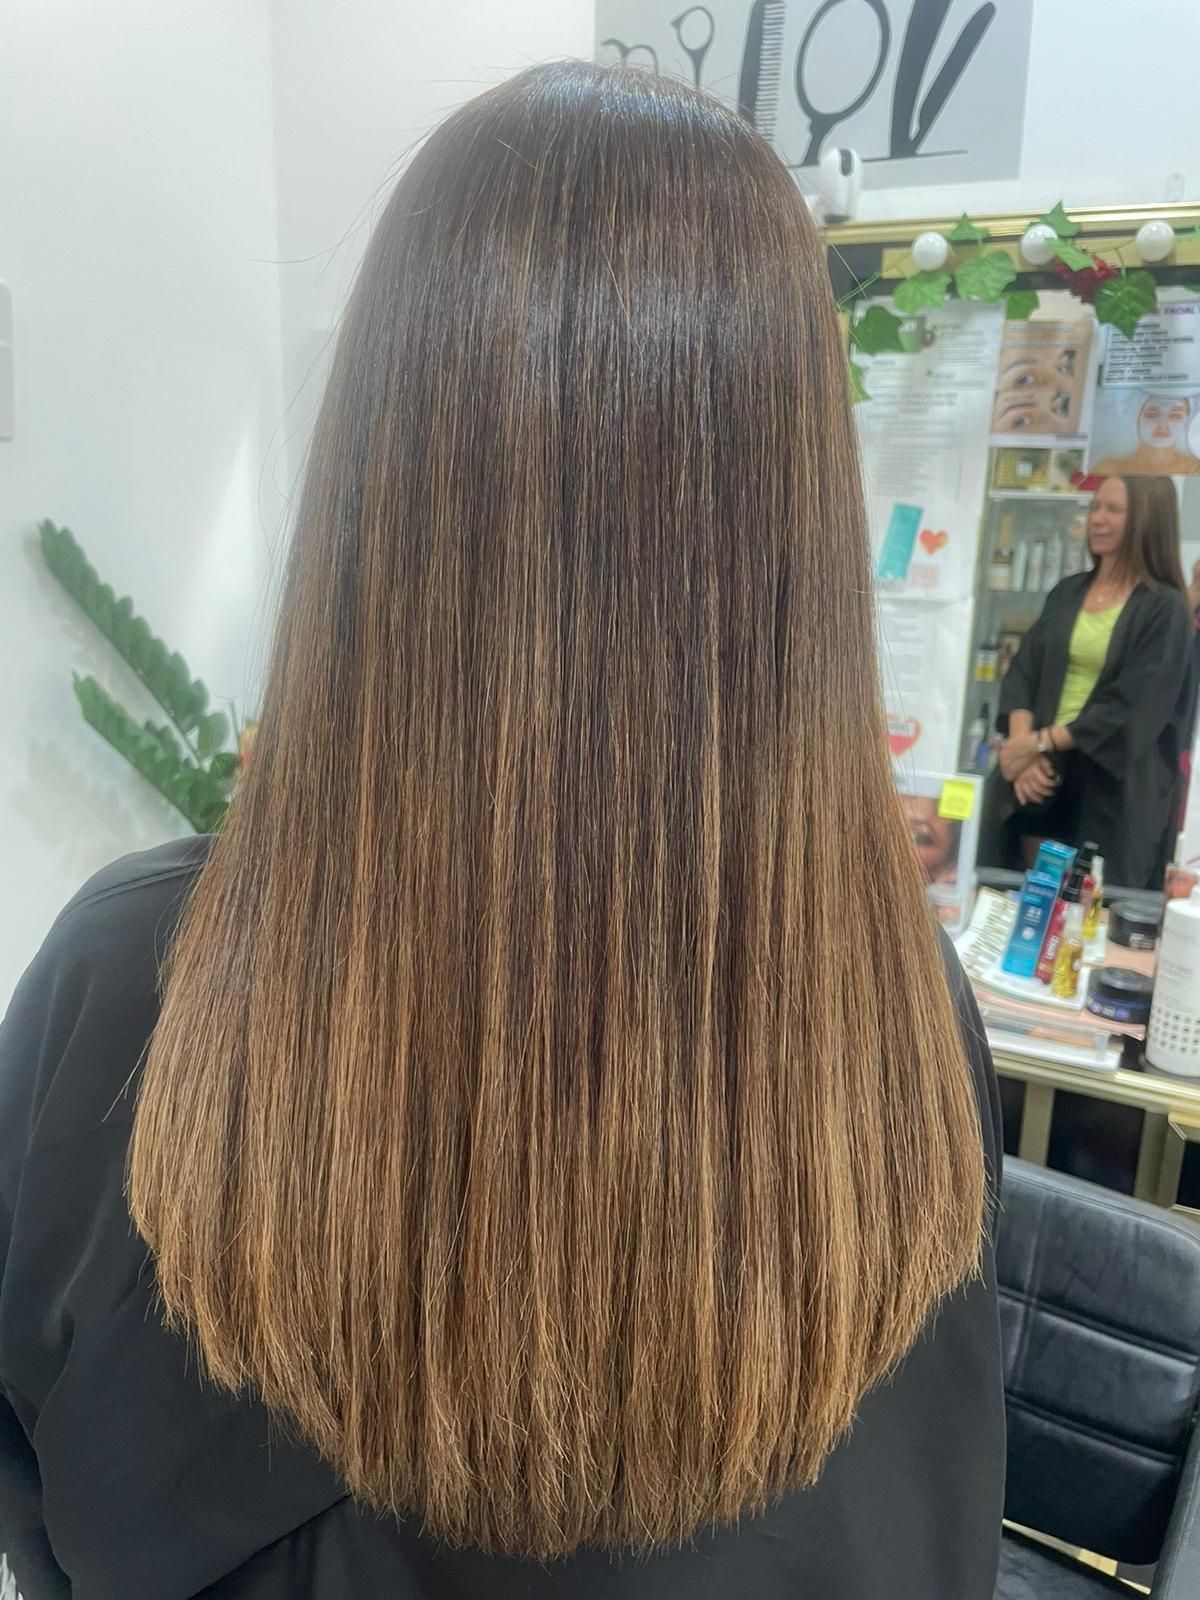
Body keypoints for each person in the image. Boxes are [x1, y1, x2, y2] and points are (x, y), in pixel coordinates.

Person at [0, 62, 1003, 1600]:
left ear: (375, 473)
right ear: (793, 520)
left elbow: (45, 1489)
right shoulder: (894, 1021)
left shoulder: (131, 986)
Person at [983, 475, 1194, 887]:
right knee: (1017, 897)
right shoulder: (1066, 592)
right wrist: (1023, 748)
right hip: (1040, 774)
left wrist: (1040, 742)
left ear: (1146, 520)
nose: (1097, 519)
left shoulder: (1164, 609)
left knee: (1084, 914)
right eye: (1095, 507)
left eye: (1113, 510)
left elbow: (1132, 707)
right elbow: (1024, 669)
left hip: (1107, 784)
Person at [1092, 393, 1198, 476]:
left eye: (1175, 416)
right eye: (1152, 415)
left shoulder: (1195, 468)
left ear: (1187, 422)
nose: (1162, 425)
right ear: (1136, 418)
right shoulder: (1107, 468)